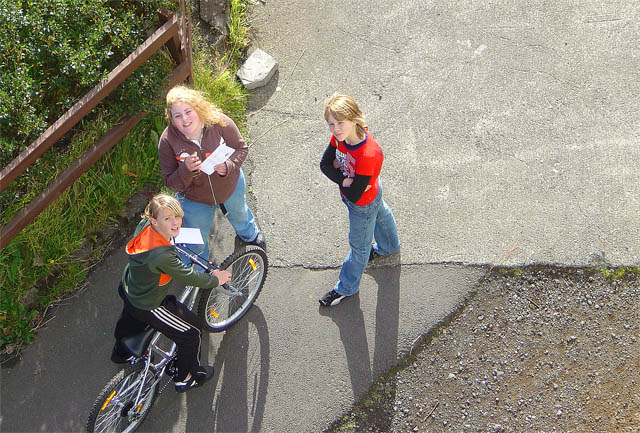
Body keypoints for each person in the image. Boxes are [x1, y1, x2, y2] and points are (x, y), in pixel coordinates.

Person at [111, 193, 232, 393]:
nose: (176, 222)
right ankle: (186, 377)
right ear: (154, 220)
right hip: (149, 303)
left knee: (129, 319)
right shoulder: (162, 256)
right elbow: (188, 277)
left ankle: (121, 353)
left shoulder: (144, 228)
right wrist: (215, 279)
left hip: (130, 287)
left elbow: (163, 244)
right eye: (168, 219)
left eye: (177, 216)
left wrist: (169, 235)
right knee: (191, 333)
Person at [158, 85, 265, 264]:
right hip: (194, 199)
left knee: (239, 213)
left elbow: (241, 147)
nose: (184, 120)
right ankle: (199, 265)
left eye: (188, 111)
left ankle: (249, 234)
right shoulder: (167, 141)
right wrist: (185, 170)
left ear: (198, 108)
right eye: (177, 116)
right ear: (171, 118)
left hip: (230, 186)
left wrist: (229, 165)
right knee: (196, 234)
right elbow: (170, 182)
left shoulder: (218, 121)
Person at [318, 93, 400, 307]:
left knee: (359, 248)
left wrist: (341, 176)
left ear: (354, 119)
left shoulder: (368, 154)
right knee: (380, 212)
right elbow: (325, 164)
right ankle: (390, 246)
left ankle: (346, 287)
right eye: (331, 124)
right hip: (370, 191)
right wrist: (345, 180)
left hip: (362, 204)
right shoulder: (340, 137)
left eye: (340, 123)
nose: (335, 129)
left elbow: (355, 193)